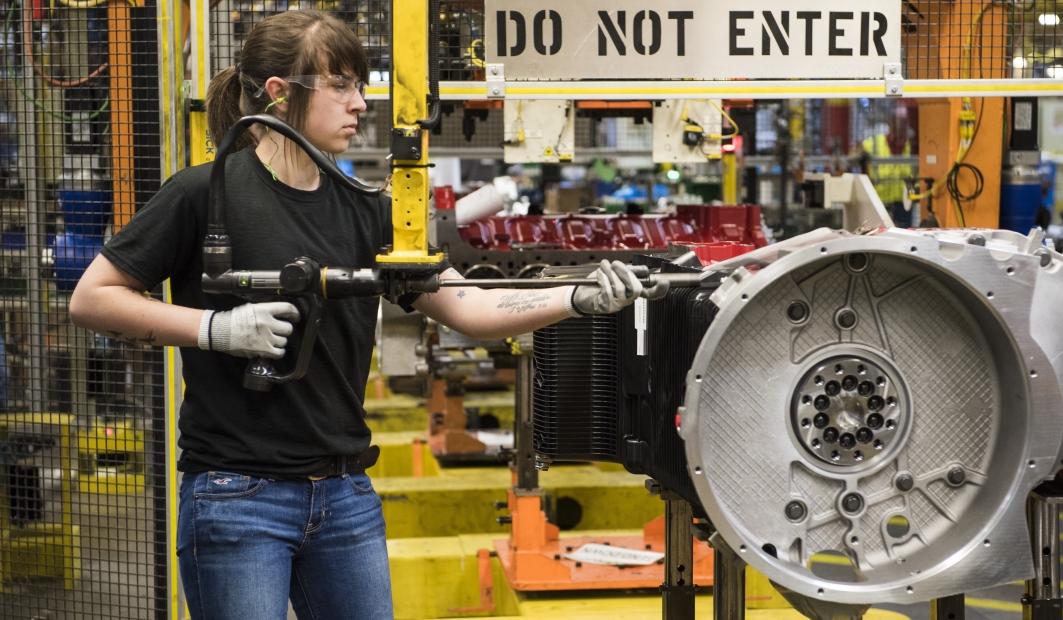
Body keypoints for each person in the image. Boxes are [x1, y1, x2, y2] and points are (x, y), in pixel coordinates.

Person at [68, 10, 655, 620]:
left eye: (363, 85)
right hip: (237, 493)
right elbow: (92, 298)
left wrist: (575, 297)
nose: (360, 104)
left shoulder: (367, 208)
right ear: (279, 93)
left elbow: (466, 307)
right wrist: (211, 328)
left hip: (344, 493)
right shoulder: (204, 193)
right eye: (341, 85)